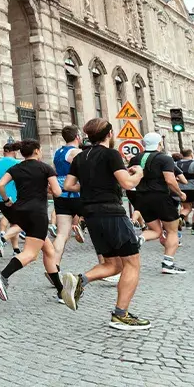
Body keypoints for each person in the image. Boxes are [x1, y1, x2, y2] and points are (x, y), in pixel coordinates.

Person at [59, 118, 149, 330]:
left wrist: (92, 186)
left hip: (91, 215)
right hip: (112, 213)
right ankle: (121, 315)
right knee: (132, 263)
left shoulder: (80, 157)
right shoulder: (111, 154)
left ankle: (80, 280)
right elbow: (127, 183)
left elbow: (69, 185)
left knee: (113, 264)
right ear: (109, 134)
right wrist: (139, 173)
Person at [0, 139, 65, 302]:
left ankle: (61, 291)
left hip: (20, 211)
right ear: (36, 151)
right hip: (38, 213)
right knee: (30, 254)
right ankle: (3, 276)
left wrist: (6, 200)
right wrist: (49, 189)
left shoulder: (16, 168)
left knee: (49, 251)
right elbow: (57, 192)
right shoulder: (46, 168)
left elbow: (0, 185)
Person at [129, 132, 186, 274]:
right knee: (172, 231)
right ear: (160, 143)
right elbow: (170, 180)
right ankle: (168, 264)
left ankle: (138, 238)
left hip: (142, 197)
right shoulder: (165, 158)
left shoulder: (136, 158)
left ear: (143, 144)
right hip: (160, 197)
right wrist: (180, 194)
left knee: (156, 231)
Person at [52, 126, 85, 266]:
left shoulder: (58, 152)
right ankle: (106, 264)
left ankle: (53, 266)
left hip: (60, 194)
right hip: (75, 192)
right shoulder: (76, 152)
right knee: (98, 230)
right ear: (77, 136)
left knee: (61, 234)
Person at [0, 143, 22, 258]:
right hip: (14, 196)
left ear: (4, 151)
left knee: (13, 221)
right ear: (14, 152)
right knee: (21, 222)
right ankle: (2, 239)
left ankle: (16, 249)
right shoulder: (18, 164)